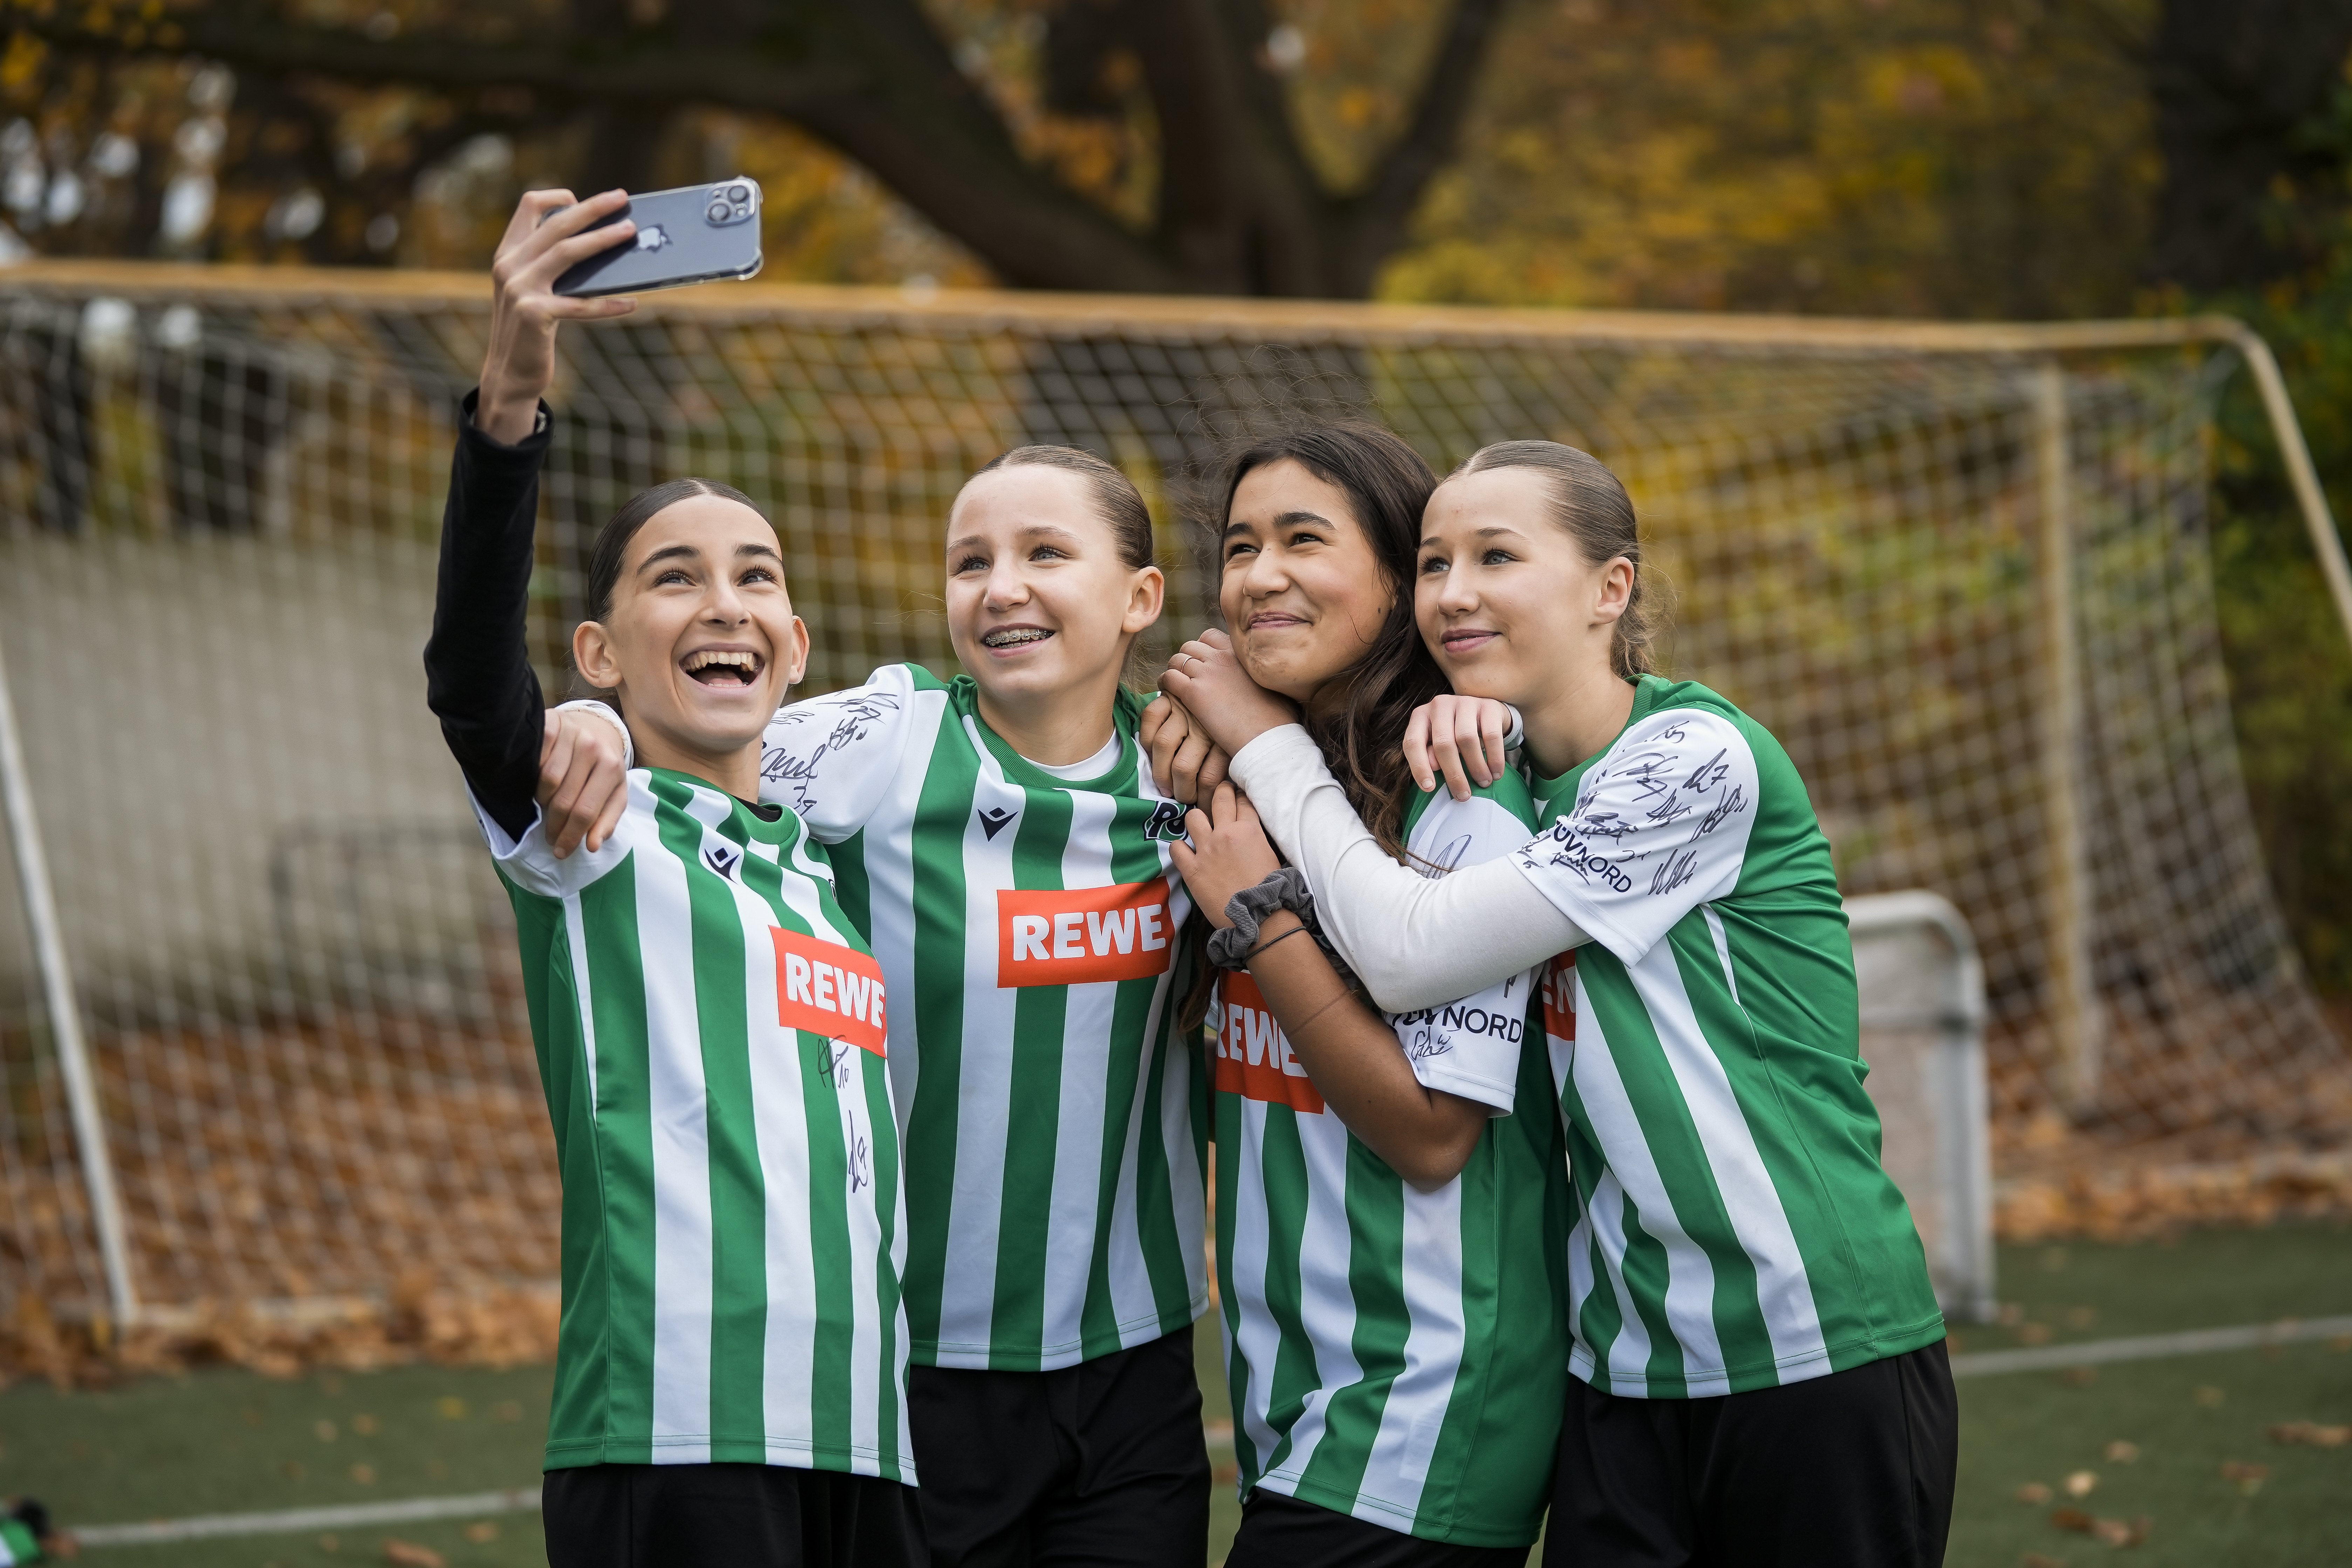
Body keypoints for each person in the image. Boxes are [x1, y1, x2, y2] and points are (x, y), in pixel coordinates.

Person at [1155, 438, 1958, 1567]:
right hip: (1622, 1365)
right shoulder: (1499, 771)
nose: (1455, 593)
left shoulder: (1695, 757)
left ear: (1609, 587)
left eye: (1496, 557)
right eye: (1434, 565)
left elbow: (1402, 946)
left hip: (1813, 1339)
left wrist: (1269, 743)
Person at [534, 453, 1213, 1564]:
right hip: (918, 1369)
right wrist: (589, 722)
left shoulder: (1201, 767)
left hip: (1134, 1362)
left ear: (1139, 596)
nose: (1002, 586)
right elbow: (687, 730)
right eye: (970, 561)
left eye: (1045, 553)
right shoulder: (883, 743)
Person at [425, 190, 924, 1567]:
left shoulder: (823, 873)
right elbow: (472, 681)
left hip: (860, 1443)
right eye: (674, 579)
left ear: (796, 640)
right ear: (598, 652)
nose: (724, 603)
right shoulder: (589, 823)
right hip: (673, 1445)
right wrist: (512, 395)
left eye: (756, 577)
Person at [1163, 424, 1567, 1568]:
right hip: (1298, 1404)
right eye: (1241, 547)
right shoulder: (1248, 783)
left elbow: (1433, 1135)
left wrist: (1263, 923)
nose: (1260, 575)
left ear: (1401, 579)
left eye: (1305, 539)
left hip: (1425, 1401)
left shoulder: (1463, 801)